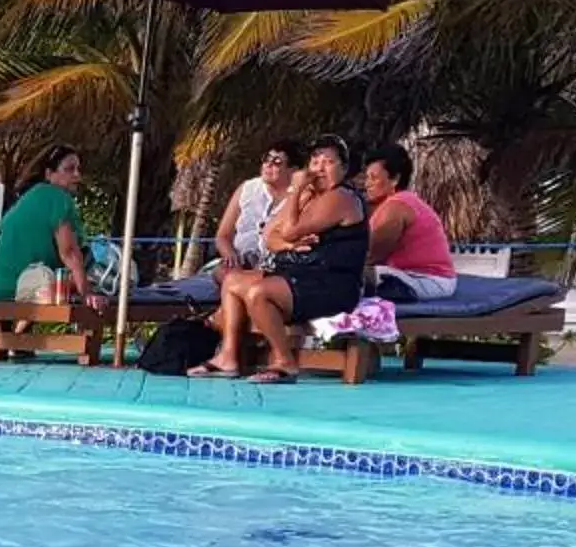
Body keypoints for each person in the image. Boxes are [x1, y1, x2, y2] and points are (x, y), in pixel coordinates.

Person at [195, 134, 368, 383]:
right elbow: (269, 236)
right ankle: (229, 356)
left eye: (328, 162)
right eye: (315, 161)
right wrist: (288, 242)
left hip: (331, 283)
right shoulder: (309, 195)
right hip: (298, 274)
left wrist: (295, 196)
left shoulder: (340, 197)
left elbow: (288, 229)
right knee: (232, 281)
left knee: (258, 292)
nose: (319, 168)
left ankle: (284, 361)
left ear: (343, 168)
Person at [0, 146, 96, 307]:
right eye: (69, 169)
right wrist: (87, 294)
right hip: (24, 287)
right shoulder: (58, 197)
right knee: (88, 281)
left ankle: (17, 330)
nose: (77, 175)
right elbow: (69, 253)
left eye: (78, 169)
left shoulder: (31, 196)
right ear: (49, 174)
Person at [361, 142, 458, 301]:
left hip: (427, 281)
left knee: (347, 277)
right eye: (367, 178)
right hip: (422, 277)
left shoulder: (396, 207)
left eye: (374, 178)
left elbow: (372, 255)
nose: (367, 184)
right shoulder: (400, 202)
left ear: (395, 179)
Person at [214, 139, 301, 273]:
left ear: (293, 170)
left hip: (276, 265)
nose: (268, 165)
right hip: (239, 261)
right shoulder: (247, 189)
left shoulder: (298, 198)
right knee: (221, 273)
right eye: (266, 159)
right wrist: (230, 255)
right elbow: (223, 235)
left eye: (277, 162)